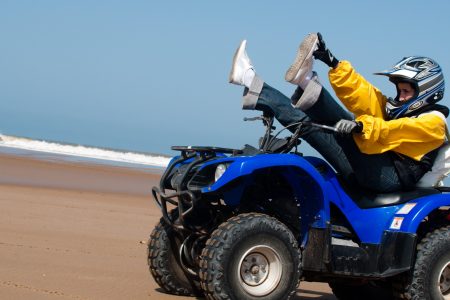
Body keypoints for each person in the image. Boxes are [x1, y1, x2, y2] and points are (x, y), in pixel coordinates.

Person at [228, 32, 449, 193]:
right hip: (371, 169)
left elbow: (397, 130)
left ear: (427, 92)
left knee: (343, 122)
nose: (400, 97)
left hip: (389, 178)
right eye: (399, 91)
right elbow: (368, 97)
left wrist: (361, 126)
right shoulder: (399, 110)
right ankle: (252, 82)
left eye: (406, 91)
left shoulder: (435, 124)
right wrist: (332, 62)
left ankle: (306, 81)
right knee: (308, 128)